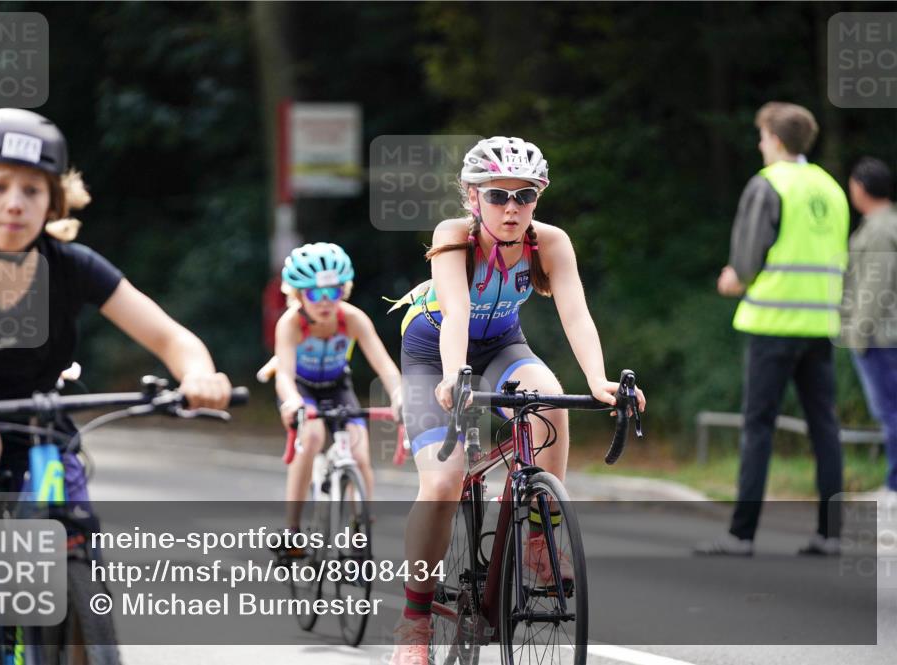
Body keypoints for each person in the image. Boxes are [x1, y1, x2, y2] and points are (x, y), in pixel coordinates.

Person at [0, 108, 232, 664]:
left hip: (41, 426)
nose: (14, 203)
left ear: (53, 204)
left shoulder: (70, 265)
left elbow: (173, 338)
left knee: (78, 535)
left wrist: (198, 375)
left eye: (32, 190)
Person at [388, 136, 645, 664]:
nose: (511, 208)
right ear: (472, 196)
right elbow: (456, 312)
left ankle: (538, 537)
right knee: (442, 482)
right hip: (434, 348)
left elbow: (575, 314)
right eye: (497, 195)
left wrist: (597, 380)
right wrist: (454, 376)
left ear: (539, 197)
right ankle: (413, 622)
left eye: (524, 195)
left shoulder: (549, 242)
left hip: (504, 344)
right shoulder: (453, 236)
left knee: (548, 399)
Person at [698, 102, 850, 557]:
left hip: (774, 322)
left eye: (763, 136)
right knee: (825, 427)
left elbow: (748, 257)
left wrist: (734, 279)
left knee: (758, 426)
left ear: (777, 140)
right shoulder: (831, 188)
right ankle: (830, 533)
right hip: (820, 324)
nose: (760, 144)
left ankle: (742, 534)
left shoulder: (769, 184)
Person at [272, 242, 402, 554]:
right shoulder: (290, 324)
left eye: (334, 291)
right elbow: (284, 376)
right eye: (316, 294)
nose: (326, 302)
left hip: (336, 386)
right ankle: (293, 530)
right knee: (312, 438)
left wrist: (399, 395)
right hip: (302, 390)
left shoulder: (353, 319)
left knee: (359, 452)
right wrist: (292, 402)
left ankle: (361, 527)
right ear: (298, 294)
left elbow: (385, 366)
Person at [841, 157, 897, 497]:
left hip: (881, 337)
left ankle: (894, 485)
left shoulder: (878, 230)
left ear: (860, 188)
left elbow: (874, 287)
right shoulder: (888, 223)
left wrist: (857, 333)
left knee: (889, 410)